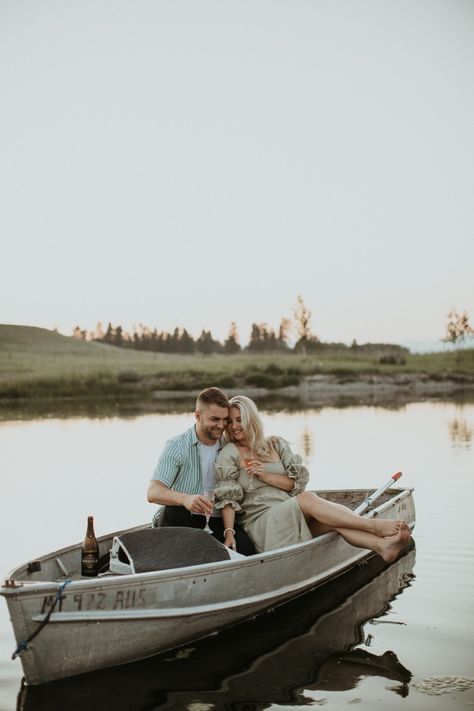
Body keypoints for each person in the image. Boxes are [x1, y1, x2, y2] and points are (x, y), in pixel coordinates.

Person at [214, 395, 411, 561]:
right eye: (229, 422)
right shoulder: (230, 452)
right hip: (263, 523)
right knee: (309, 498)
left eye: (239, 420)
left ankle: (381, 547)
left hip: (290, 511)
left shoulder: (276, 444)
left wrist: (265, 475)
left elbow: (295, 486)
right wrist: (229, 532)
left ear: (251, 419)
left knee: (334, 521)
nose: (233, 427)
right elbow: (227, 498)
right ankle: (373, 525)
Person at [147, 387, 256, 555]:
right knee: (173, 511)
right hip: (185, 518)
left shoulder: (230, 446)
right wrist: (185, 499)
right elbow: (153, 492)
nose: (221, 425)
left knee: (247, 548)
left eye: (225, 419)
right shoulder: (177, 446)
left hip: (220, 520)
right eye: (214, 419)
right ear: (198, 416)